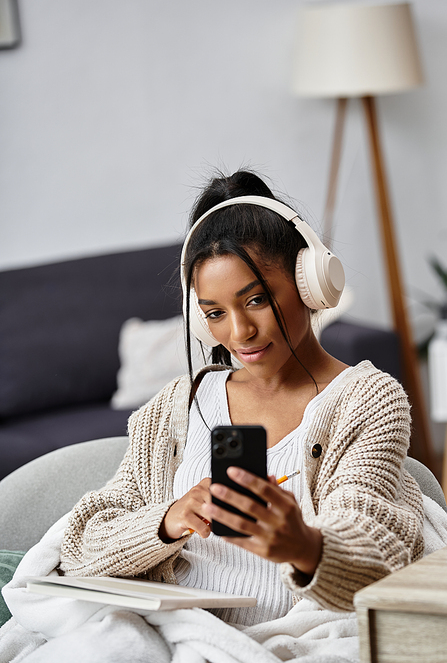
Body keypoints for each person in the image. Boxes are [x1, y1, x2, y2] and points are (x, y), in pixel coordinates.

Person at [59, 169, 424, 626]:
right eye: (215, 313)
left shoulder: (367, 400)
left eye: (256, 300)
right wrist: (167, 520)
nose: (240, 333)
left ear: (309, 283)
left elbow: (374, 541)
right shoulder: (179, 406)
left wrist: (305, 545)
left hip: (287, 638)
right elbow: (80, 547)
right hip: (173, 632)